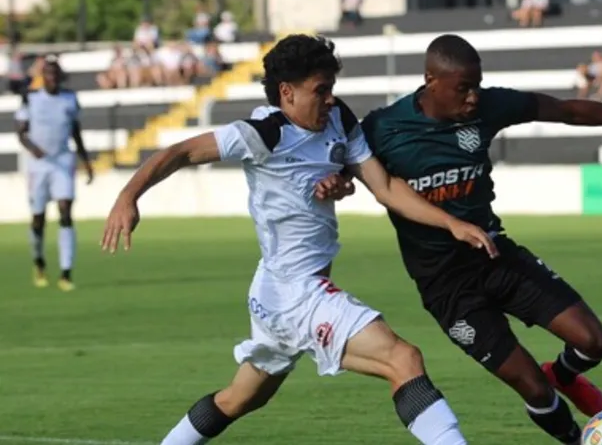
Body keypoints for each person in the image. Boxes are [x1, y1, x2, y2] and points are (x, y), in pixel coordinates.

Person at [100, 35, 494, 445]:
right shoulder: (263, 134)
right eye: (320, 90)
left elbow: (385, 187)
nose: (329, 99)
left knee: (239, 399)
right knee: (402, 358)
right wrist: (128, 197)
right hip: (296, 293)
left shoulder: (338, 118)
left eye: (331, 88)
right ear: (287, 92)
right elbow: (180, 152)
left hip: (273, 292)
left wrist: (450, 223)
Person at [350, 34, 602, 443]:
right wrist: (329, 183)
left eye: (477, 86)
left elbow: (567, 110)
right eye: (463, 88)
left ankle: (563, 374)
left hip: (496, 256)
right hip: (447, 288)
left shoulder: (488, 106)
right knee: (534, 389)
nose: (473, 97)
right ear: (431, 81)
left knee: (594, 342)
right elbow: (341, 168)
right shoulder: (383, 128)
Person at [15, 59, 93, 291]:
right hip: (38, 164)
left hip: (63, 159)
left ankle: (66, 272)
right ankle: (39, 261)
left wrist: (86, 161)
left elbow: (76, 131)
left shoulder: (70, 98)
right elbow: (21, 132)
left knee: (65, 210)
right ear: (43, 76)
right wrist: (33, 148)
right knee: (38, 217)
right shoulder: (31, 98)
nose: (53, 78)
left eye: (56, 74)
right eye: (49, 74)